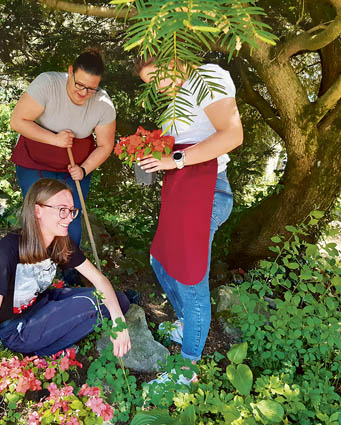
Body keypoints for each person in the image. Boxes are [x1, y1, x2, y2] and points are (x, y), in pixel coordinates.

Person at [0, 179, 131, 425]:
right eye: (62, 210)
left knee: (117, 301)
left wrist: (119, 322)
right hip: (17, 329)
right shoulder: (10, 248)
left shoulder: (60, 242)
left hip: (43, 304)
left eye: (72, 210)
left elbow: (99, 280)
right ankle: (43, 347)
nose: (69, 217)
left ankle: (51, 341)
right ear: (37, 210)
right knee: (97, 305)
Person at [135, 57, 243, 382]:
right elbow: (176, 148)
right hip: (180, 192)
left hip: (207, 191)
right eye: (150, 84)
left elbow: (232, 135)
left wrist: (174, 158)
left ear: (174, 57)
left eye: (159, 77)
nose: (158, 88)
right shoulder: (174, 103)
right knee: (159, 259)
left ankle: (188, 369)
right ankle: (186, 323)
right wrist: (147, 152)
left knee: (191, 279)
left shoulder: (208, 77)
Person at [9, 49, 116, 284]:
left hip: (74, 167)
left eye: (91, 88)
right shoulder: (47, 83)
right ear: (70, 71)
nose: (83, 93)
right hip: (35, 161)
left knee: (71, 218)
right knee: (40, 215)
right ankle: (37, 267)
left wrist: (85, 169)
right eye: (79, 85)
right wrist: (55, 139)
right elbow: (17, 121)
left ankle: (69, 269)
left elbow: (105, 145)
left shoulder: (103, 104)